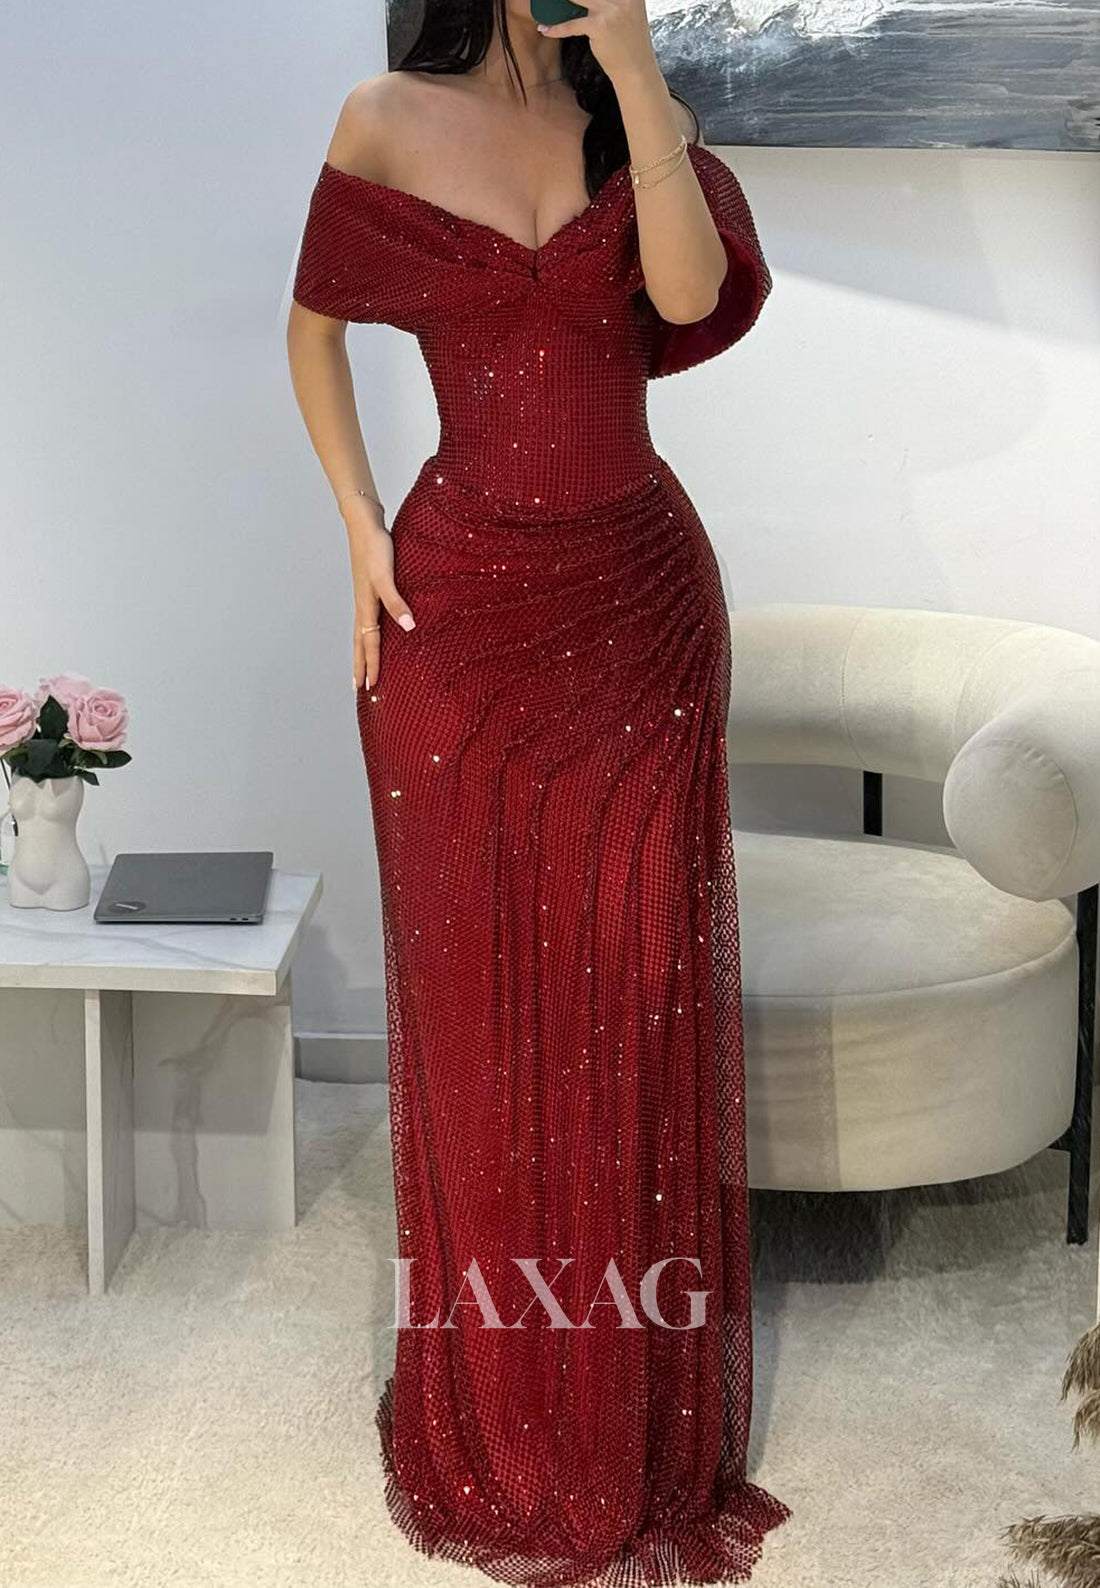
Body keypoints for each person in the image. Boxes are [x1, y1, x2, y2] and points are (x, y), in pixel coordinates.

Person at [286, 1, 791, 1582]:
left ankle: (625, 1421)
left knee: (636, 997)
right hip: (453, 627)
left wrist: (637, 75)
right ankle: (504, 1410)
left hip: (639, 619)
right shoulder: (383, 116)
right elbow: (312, 329)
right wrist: (360, 526)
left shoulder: (638, 121)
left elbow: (688, 300)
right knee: (481, 1020)